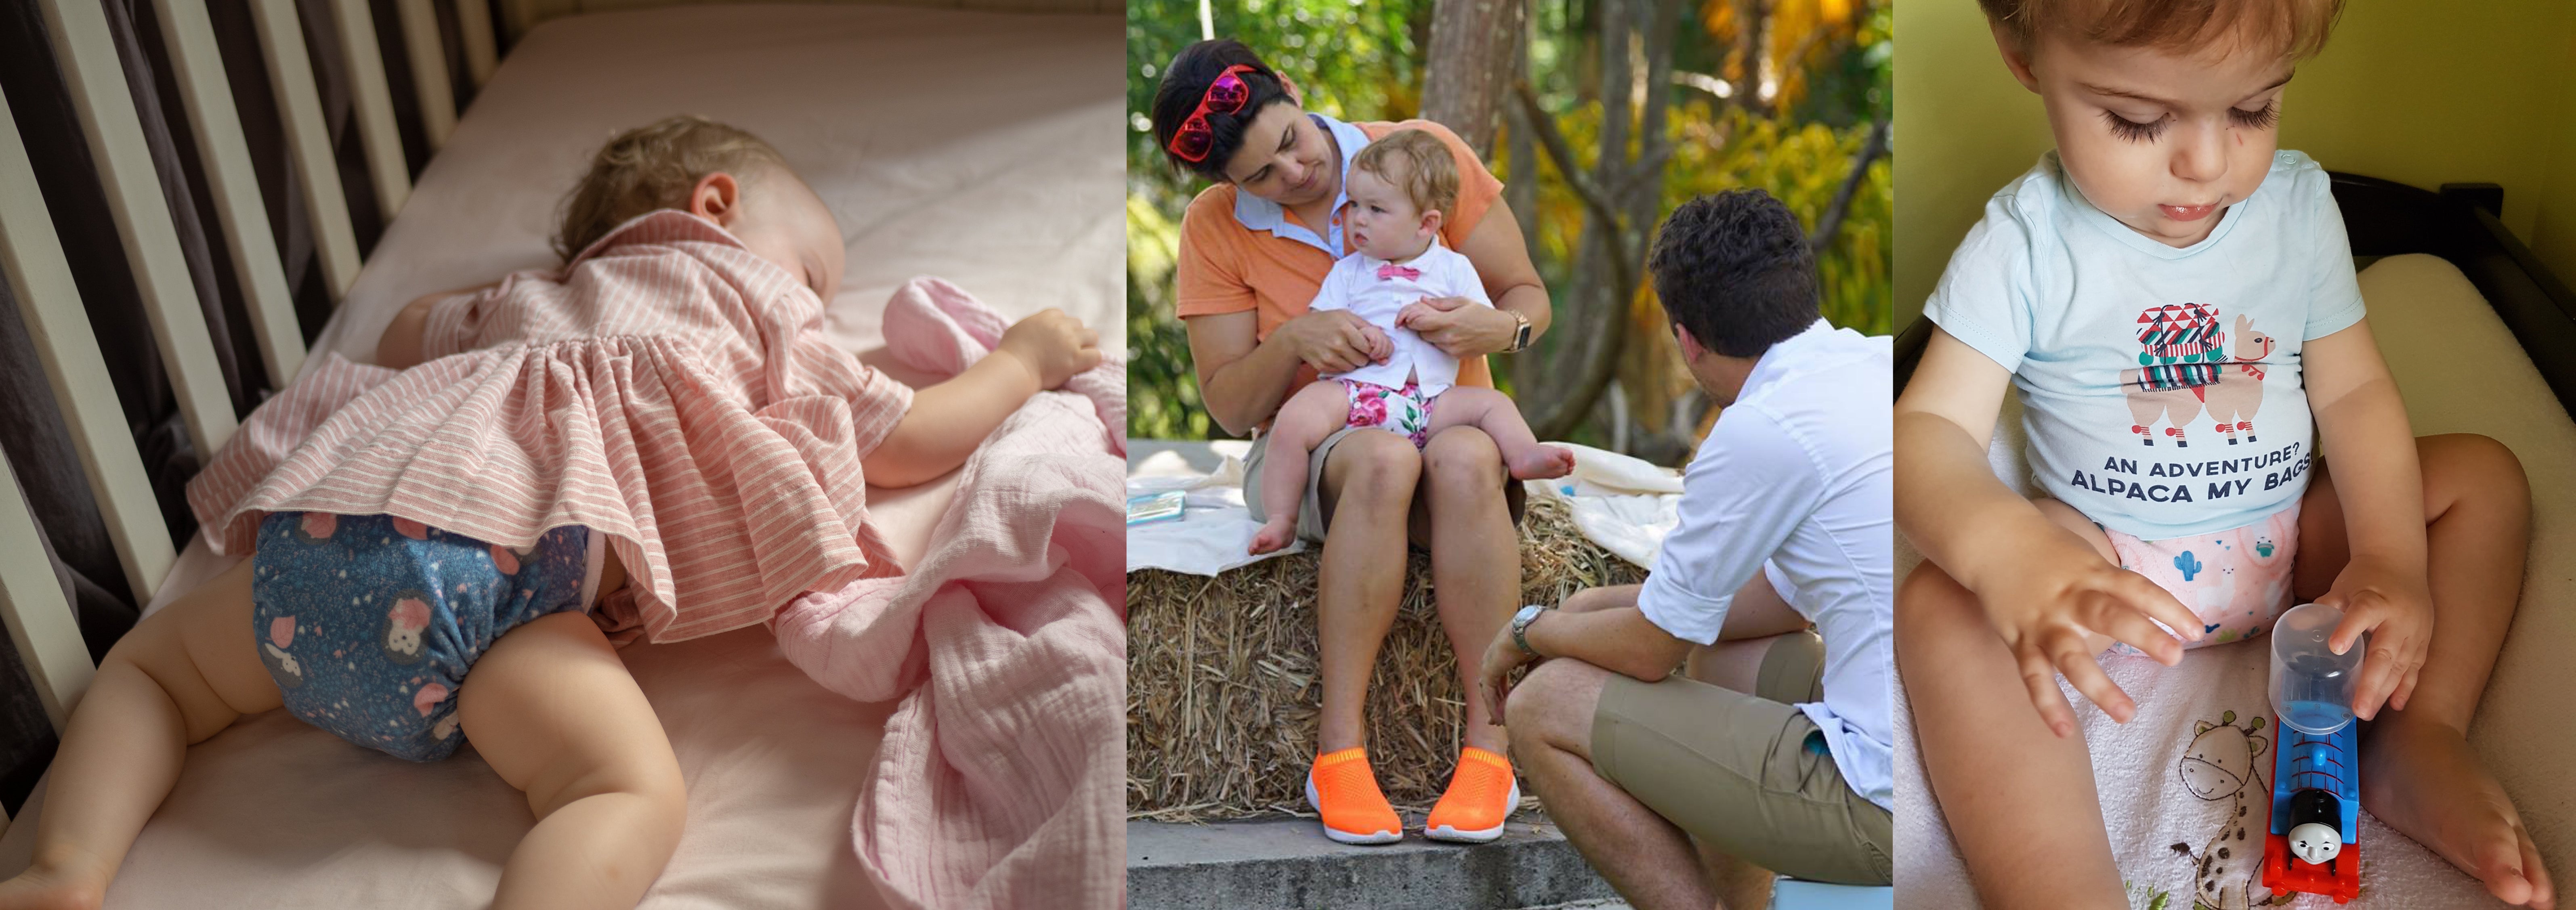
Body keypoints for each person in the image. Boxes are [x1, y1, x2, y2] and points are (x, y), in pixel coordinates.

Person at [0, 116, 1101, 910]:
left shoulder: (521, 303)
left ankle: (67, 865)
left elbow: (402, 329)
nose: (812, 298)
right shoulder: (748, 294)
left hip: (317, 561)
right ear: (714, 207)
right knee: (622, 788)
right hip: (491, 608)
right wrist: (1021, 358)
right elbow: (905, 436)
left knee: (150, 672)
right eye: (814, 272)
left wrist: (506, 300)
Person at [1894, 2, 2555, 907]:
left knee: (2483, 478)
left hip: (2292, 558)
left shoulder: (2296, 208)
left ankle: (2416, 734)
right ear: (2022, 53)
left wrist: (2390, 554)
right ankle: (2056, 878)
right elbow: (1925, 432)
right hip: (2106, 569)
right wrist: (2012, 553)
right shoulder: (2025, 242)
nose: (2207, 165)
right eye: (2136, 119)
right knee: (1939, 601)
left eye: (2253, 110)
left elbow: (2354, 394)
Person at [1150, 39, 1551, 845]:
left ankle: (1490, 748)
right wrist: (1295, 339)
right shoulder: (1216, 227)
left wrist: (1499, 329)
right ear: (1232, 187)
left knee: (1470, 457)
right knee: (1380, 458)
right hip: (1327, 438)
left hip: (1444, 417)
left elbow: (1527, 297)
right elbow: (1231, 406)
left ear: (1295, 93)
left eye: (1291, 141)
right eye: (1261, 175)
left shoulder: (1424, 156)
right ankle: (1338, 753)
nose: (1293, 175)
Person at [1485, 189, 1894, 910]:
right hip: (1977, 776)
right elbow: (1762, 605)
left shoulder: (1758, 429)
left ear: (1686, 338)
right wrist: (1585, 603)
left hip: (1893, 810)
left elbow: (1649, 648)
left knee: (1544, 702)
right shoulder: (1877, 366)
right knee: (1742, 653)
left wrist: (1528, 630)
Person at [1248, 129, 1573, 558]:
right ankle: (1283, 516)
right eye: (1354, 206)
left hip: (1431, 401)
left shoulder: (1454, 268)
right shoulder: (1349, 272)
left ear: (1427, 223)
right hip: (1355, 395)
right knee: (1294, 419)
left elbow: (1479, 322)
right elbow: (1319, 324)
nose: (1357, 219)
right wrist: (1362, 335)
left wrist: (1442, 319)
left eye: (1376, 209)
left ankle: (1523, 455)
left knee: (1493, 406)